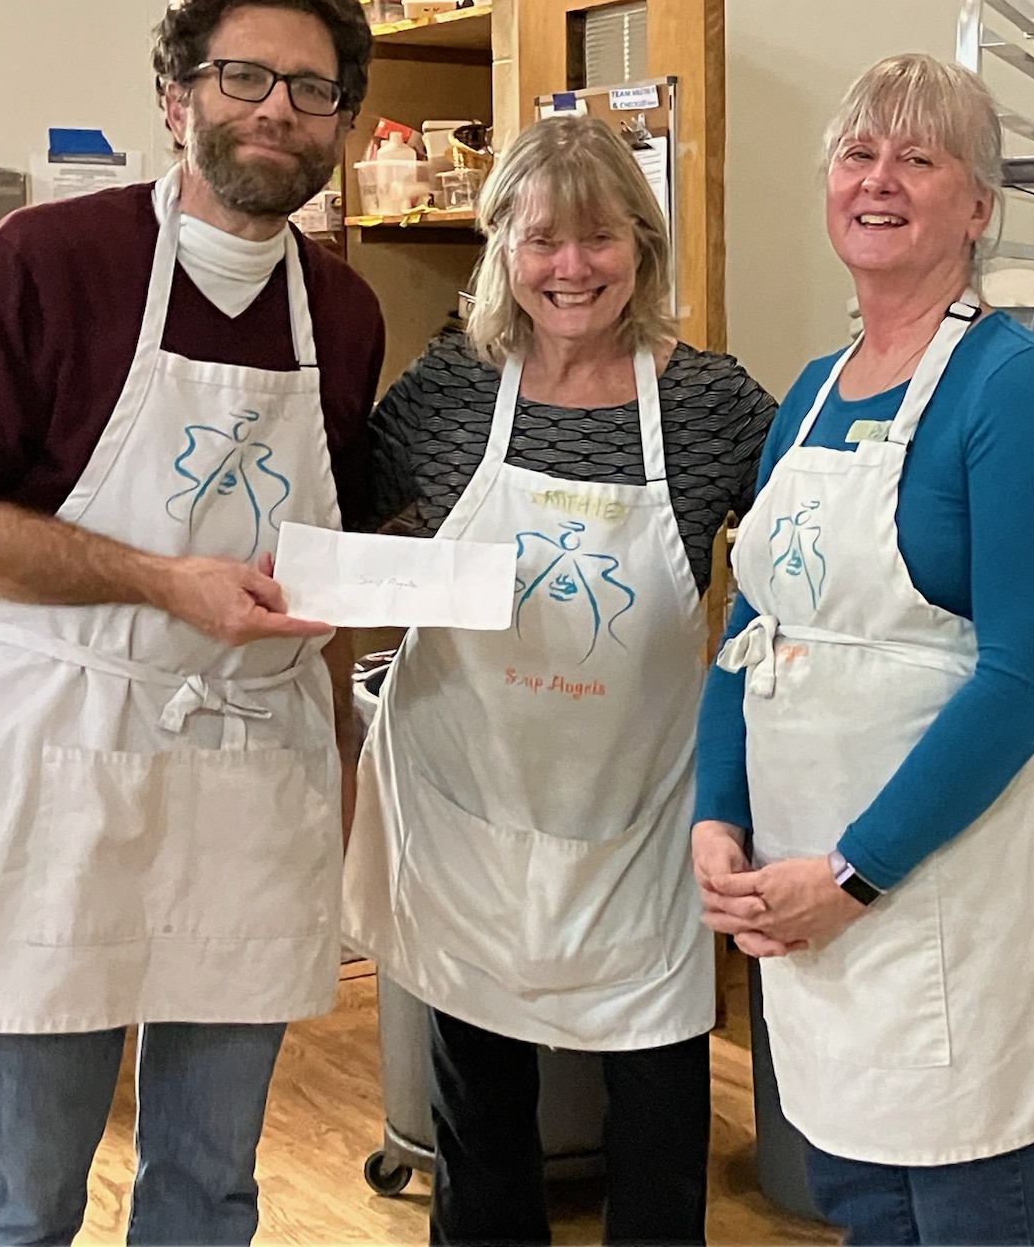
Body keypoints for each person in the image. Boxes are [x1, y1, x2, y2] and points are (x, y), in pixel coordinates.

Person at [0, 0, 386, 1244]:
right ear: (177, 97)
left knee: (210, 1181)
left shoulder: (344, 308)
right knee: (26, 1186)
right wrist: (166, 584)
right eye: (245, 76)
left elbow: (314, 561)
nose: (277, 108)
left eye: (312, 91)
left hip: (258, 763)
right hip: (76, 752)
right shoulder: (53, 261)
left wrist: (334, 757)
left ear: (344, 125)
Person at [694, 54, 1034, 1245]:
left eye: (918, 160)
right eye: (857, 156)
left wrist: (857, 871)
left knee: (971, 1196)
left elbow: (1024, 678)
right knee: (860, 1198)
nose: (878, 181)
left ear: (977, 208)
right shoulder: (816, 391)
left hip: (934, 891)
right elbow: (750, 625)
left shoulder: (1011, 387)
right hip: (798, 884)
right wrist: (718, 814)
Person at [342, 115, 775, 1245]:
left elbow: (801, 544)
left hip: (636, 815)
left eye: (598, 239)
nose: (569, 268)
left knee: (659, 1104)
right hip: (467, 802)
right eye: (540, 242)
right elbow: (341, 517)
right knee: (478, 1115)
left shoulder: (709, 405)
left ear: (643, 246)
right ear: (501, 250)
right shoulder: (446, 393)